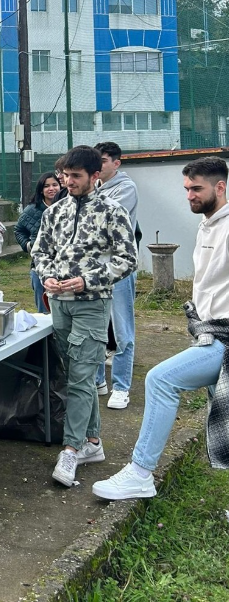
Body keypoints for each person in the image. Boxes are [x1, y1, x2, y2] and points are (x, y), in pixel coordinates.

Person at [93, 156, 229, 500]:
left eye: (196, 188)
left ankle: (140, 472)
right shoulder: (207, 225)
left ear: (220, 187)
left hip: (224, 338)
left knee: (160, 379)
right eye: (186, 189)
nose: (189, 196)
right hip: (207, 331)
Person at [31, 145, 136, 488]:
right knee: (75, 373)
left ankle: (71, 449)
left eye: (75, 176)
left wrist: (88, 279)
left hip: (92, 302)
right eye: (65, 176)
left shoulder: (113, 210)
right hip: (58, 302)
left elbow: (126, 259)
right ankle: (93, 442)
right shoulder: (54, 212)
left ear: (95, 176)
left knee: (81, 377)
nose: (68, 182)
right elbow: (40, 251)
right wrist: (46, 274)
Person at [93, 141, 139, 409]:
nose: (97, 166)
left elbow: (102, 220)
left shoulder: (126, 188)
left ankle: (121, 387)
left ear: (116, 163)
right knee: (97, 326)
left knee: (122, 330)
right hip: (97, 267)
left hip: (119, 267)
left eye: (102, 161)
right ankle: (99, 379)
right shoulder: (96, 187)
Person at [15, 172, 61, 312]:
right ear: (41, 189)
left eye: (54, 185)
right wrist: (28, 245)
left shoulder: (68, 207)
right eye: (46, 186)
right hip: (39, 266)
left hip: (63, 264)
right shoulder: (31, 210)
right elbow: (18, 230)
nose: (51, 188)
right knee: (44, 308)